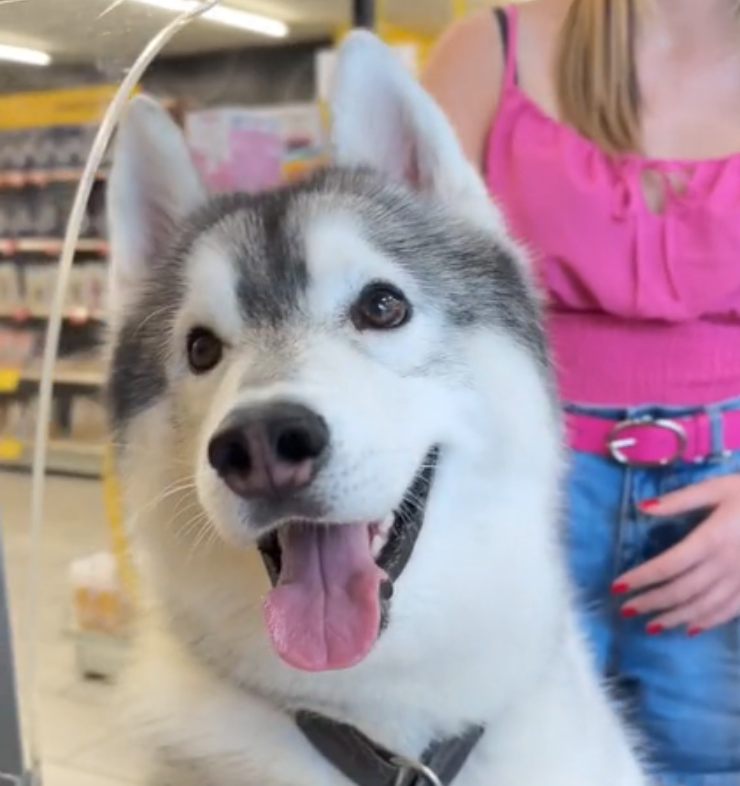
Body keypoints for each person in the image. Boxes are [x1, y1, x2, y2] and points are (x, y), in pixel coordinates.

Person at [423, 2, 740, 784]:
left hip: (725, 516)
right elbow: (393, 300)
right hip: (517, 491)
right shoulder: (489, 49)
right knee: (506, 764)